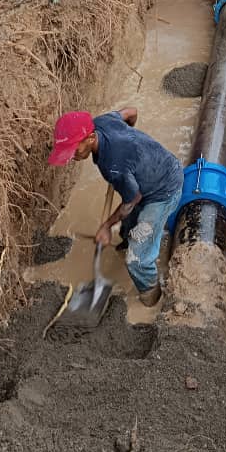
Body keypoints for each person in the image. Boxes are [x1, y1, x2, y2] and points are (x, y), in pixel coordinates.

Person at [47, 108, 183, 307]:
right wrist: (130, 141)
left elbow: (132, 199)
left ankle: (151, 297)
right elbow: (132, 112)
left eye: (74, 150)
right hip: (149, 173)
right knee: (128, 228)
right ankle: (126, 242)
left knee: (136, 260)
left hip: (163, 190)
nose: (71, 157)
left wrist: (106, 226)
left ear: (91, 138)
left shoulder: (114, 166)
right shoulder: (102, 121)